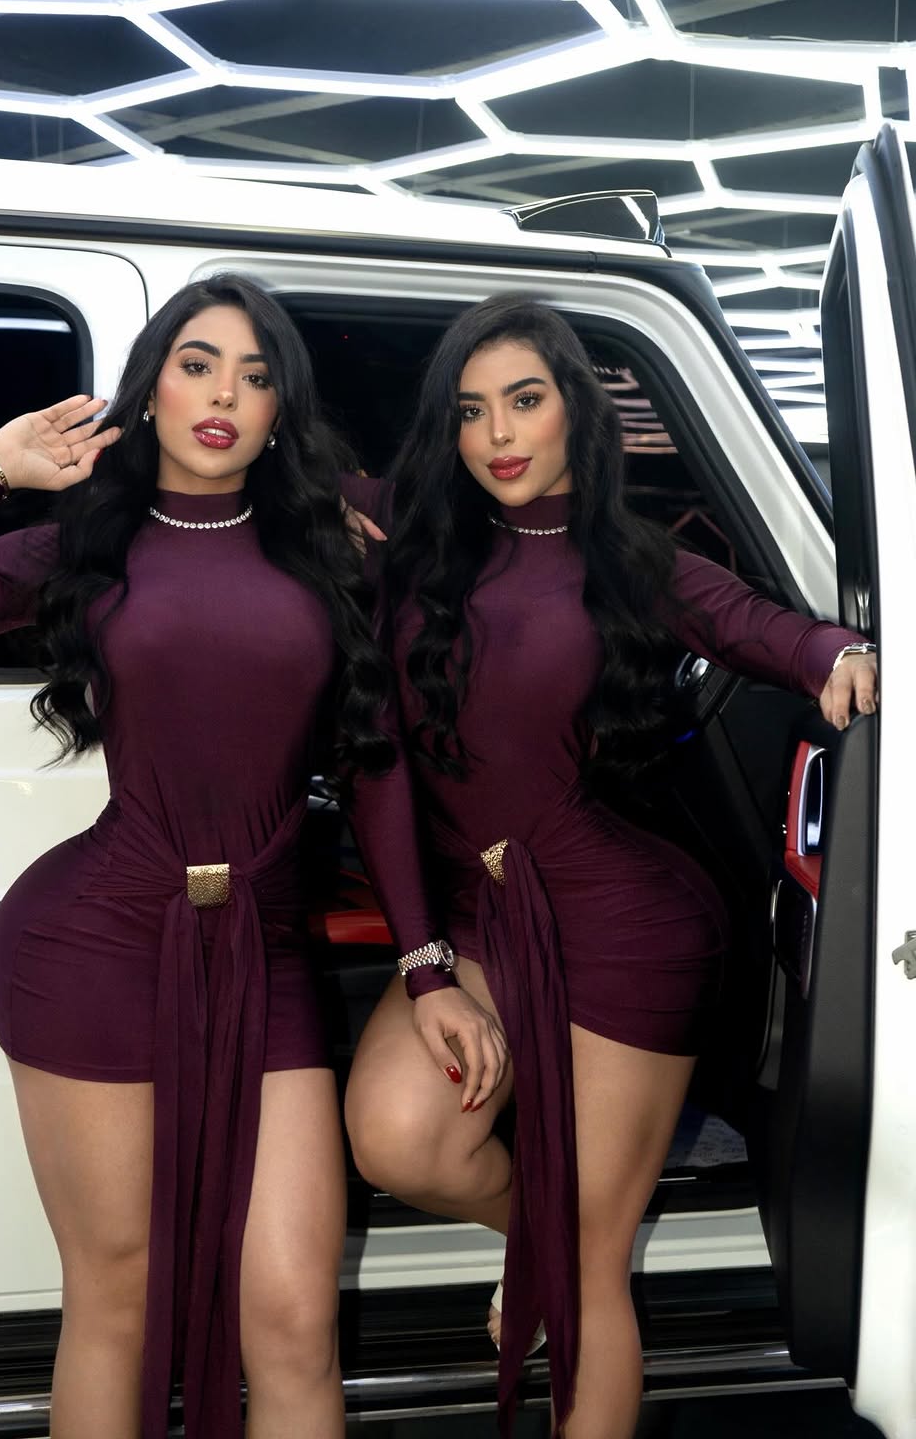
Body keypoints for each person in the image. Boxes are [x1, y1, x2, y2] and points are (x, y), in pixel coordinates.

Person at [0, 274, 460, 1439]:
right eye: (196, 365)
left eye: (255, 377)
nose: (223, 395)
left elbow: (378, 765)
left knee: (292, 1320)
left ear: (280, 410)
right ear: (151, 389)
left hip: (266, 958)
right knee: (117, 1299)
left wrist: (427, 965)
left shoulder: (332, 554)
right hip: (93, 949)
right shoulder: (86, 545)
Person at [343, 294, 878, 1439]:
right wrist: (425, 968)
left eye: (525, 400)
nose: (500, 435)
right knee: (397, 1135)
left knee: (592, 1271)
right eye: (472, 410)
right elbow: (377, 768)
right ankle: (539, 1236)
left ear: (575, 411)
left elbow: (759, 626)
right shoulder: (407, 543)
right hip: (478, 923)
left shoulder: (629, 559)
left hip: (623, 929)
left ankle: (565, 1254)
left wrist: (838, 651)